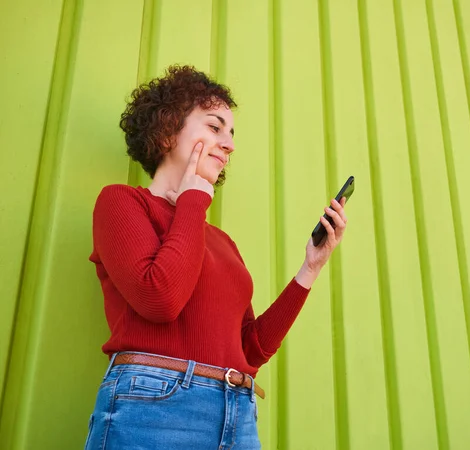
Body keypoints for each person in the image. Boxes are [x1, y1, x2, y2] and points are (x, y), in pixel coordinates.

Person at [84, 65, 348, 449]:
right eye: (214, 127)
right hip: (155, 406)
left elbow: (250, 349)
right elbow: (160, 299)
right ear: (167, 129)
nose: (229, 144)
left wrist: (311, 268)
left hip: (237, 410)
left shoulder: (221, 241)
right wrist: (194, 200)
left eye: (231, 133)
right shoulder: (122, 202)